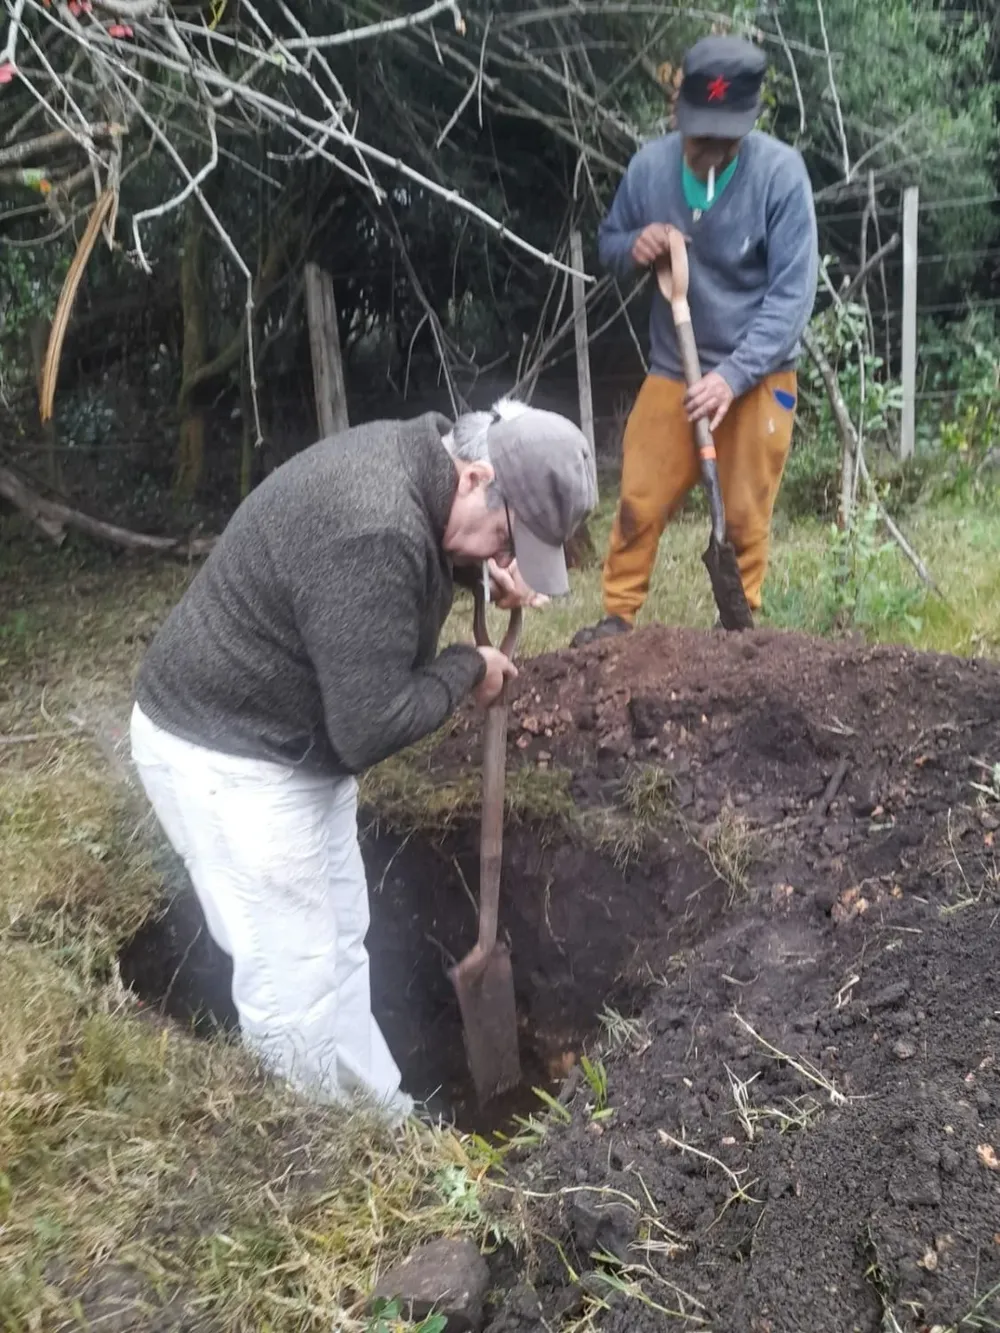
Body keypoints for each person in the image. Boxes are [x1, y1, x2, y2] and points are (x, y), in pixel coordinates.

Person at [129, 397, 596, 1124]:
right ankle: (313, 1163)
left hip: (295, 740)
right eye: (507, 540)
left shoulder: (431, 466)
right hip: (230, 754)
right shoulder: (374, 530)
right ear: (475, 476)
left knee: (341, 946)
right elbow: (369, 726)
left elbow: (440, 541)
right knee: (293, 984)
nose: (505, 562)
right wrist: (467, 668)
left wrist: (479, 573)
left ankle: (385, 1125)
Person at [572, 34, 818, 645]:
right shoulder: (649, 169)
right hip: (673, 368)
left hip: (759, 375)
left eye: (721, 136)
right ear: (679, 115)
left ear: (746, 124)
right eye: (697, 133)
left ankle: (738, 627)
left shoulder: (781, 177)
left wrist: (732, 377)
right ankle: (617, 617)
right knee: (639, 497)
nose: (707, 148)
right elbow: (607, 242)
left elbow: (791, 300)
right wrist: (635, 245)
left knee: (742, 512)